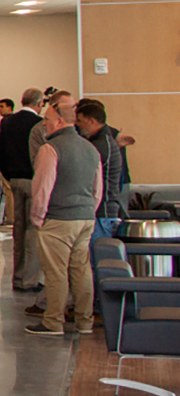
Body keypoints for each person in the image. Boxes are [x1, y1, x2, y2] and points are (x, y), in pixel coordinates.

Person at [26, 99, 102, 337]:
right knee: (81, 270)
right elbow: (97, 189)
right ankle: (85, 321)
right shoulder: (91, 148)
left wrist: (38, 218)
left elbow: (42, 188)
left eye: (47, 120)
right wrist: (89, 210)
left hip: (58, 219)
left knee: (56, 272)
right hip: (85, 217)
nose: (44, 125)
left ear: (59, 121)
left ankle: (53, 322)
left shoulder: (50, 149)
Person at [75, 99, 128, 242]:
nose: (78, 125)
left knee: (98, 259)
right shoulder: (105, 142)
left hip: (101, 213)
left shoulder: (100, 146)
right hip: (103, 211)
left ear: (91, 121)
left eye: (80, 121)